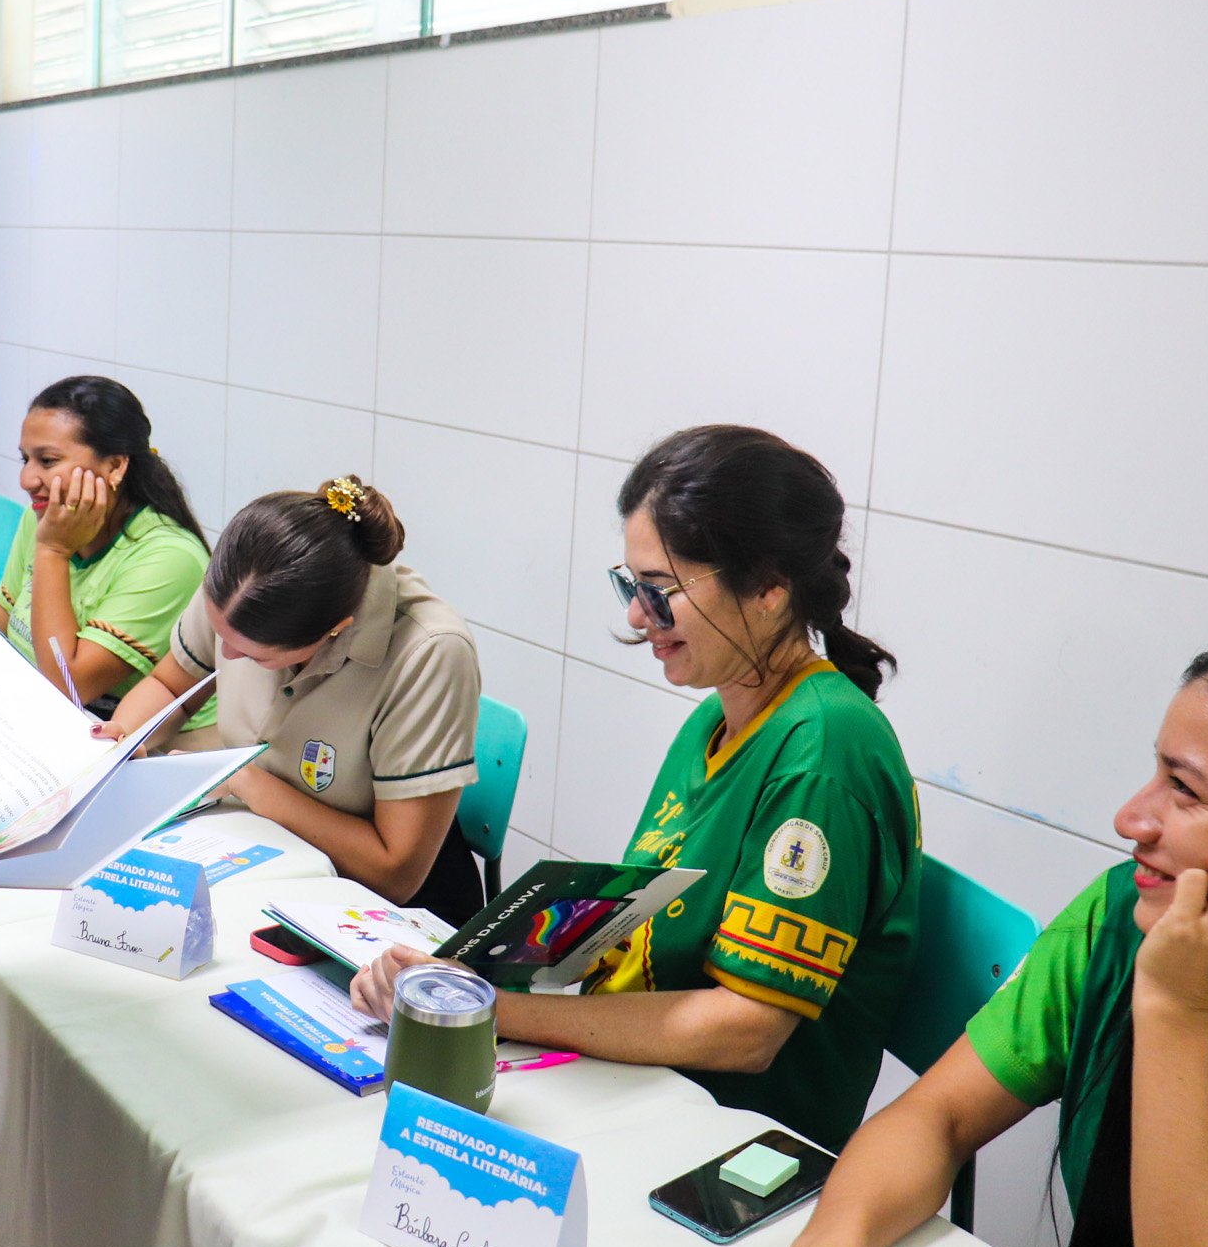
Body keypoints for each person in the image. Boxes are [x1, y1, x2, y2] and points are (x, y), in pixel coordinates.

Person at [352, 425, 920, 1152]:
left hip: (729, 1136)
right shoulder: (721, 715)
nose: (635, 617)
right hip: (638, 1083)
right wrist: (459, 976)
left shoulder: (824, 753)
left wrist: (494, 1009)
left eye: (660, 591)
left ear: (769, 587)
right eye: (631, 587)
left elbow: (747, 1030)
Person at [793, 632, 1208, 1247]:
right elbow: (939, 1117)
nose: (1130, 819)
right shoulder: (1117, 915)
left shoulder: (1161, 960)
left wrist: (1173, 1004)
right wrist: (835, 1242)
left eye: (1184, 788)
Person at [96, 475, 484, 925]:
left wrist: (241, 779)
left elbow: (393, 873)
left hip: (385, 914)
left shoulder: (429, 652)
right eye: (220, 636)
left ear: (335, 631)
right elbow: (171, 688)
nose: (227, 656)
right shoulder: (239, 584)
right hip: (263, 852)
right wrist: (125, 738)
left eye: (254, 655)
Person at [0, 375, 211, 719]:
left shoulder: (169, 559)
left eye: (47, 461)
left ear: (115, 466)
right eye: (25, 460)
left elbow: (69, 687)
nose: (27, 480)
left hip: (129, 734)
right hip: (44, 706)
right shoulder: (47, 516)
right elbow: (8, 613)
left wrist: (53, 551)